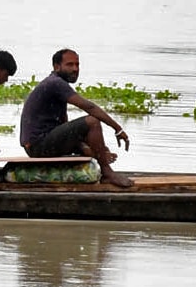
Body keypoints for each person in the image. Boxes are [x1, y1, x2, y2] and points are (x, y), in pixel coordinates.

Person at [18, 48, 132, 188]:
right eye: (70, 65)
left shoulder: (57, 84)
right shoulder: (55, 83)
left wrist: (93, 149)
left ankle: (102, 163)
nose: (75, 69)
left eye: (77, 65)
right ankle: (107, 173)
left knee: (97, 145)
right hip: (38, 146)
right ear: (56, 67)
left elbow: (63, 124)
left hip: (42, 143)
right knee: (92, 122)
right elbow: (89, 107)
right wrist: (118, 129)